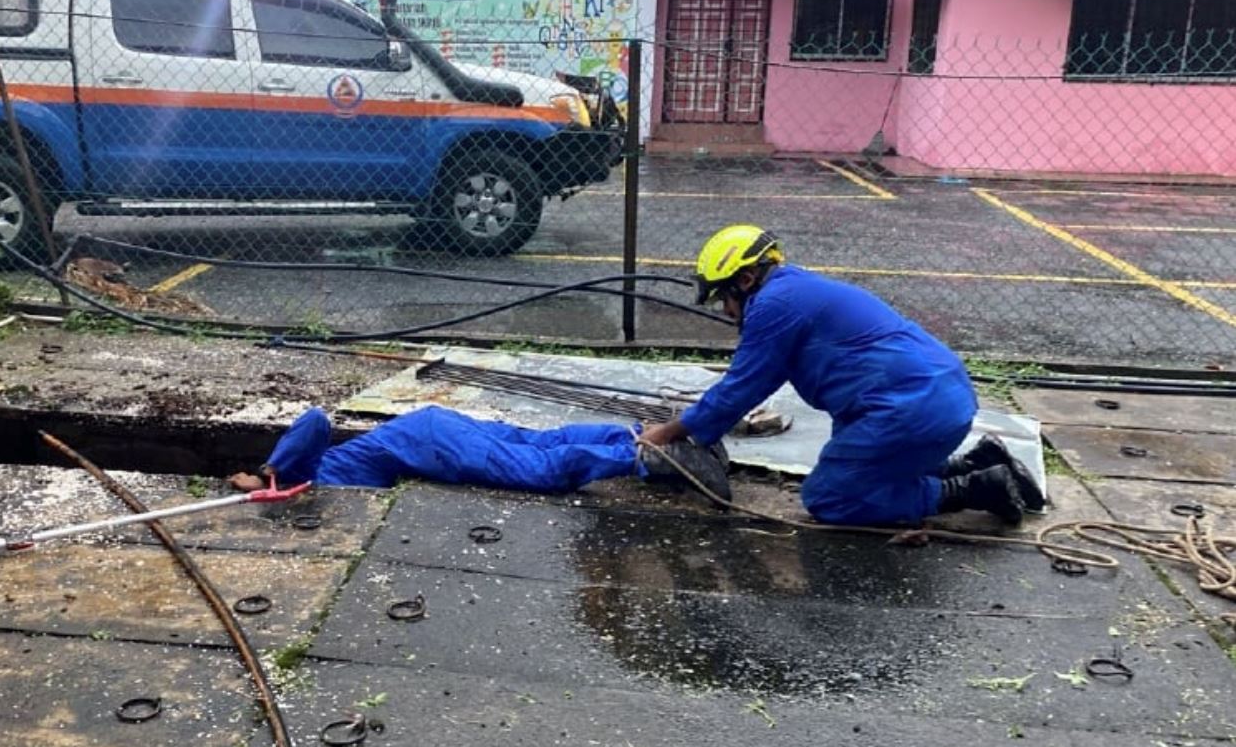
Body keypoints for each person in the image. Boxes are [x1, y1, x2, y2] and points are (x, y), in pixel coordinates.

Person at [640, 224, 1044, 527]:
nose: (727, 313)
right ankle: (976, 461)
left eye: (723, 299)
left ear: (745, 280)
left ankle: (976, 488)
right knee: (860, 470)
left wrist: (669, 432)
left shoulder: (774, 305)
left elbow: (740, 388)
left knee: (829, 497)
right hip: (942, 397)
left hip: (912, 409)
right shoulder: (797, 289)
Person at [228, 405, 731, 500]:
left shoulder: (294, 475)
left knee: (540, 470)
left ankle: (648, 456)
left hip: (428, 443)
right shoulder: (306, 484)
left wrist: (268, 470)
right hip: (428, 430)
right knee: (540, 442)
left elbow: (316, 420)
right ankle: (645, 435)